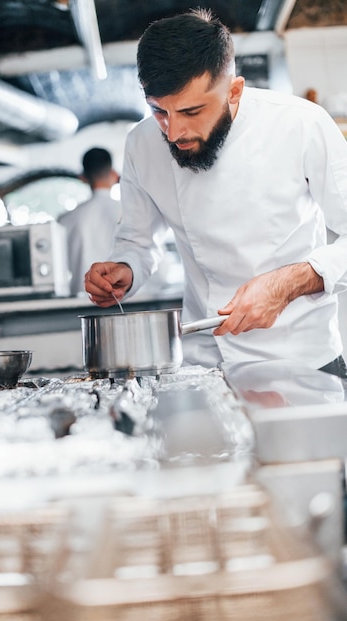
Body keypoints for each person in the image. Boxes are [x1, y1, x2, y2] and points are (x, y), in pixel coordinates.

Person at [84, 8, 347, 378]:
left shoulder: (301, 124)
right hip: (203, 364)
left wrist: (291, 281)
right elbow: (138, 241)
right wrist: (125, 267)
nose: (174, 132)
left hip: (301, 358)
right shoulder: (141, 143)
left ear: (234, 90)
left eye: (192, 111)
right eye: (159, 111)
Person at [57, 147, 121, 296]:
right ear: (114, 174)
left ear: (83, 178)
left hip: (82, 300)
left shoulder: (65, 220)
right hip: (129, 300)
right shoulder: (132, 212)